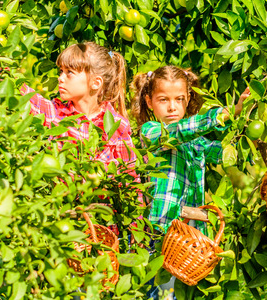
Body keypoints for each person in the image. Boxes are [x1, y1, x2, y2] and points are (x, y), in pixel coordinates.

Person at [131, 65, 250, 234]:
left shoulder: (196, 143)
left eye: (179, 99)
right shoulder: (150, 131)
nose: (172, 107)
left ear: (187, 99)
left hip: (190, 237)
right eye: (163, 100)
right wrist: (227, 113)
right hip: (161, 231)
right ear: (149, 102)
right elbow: (179, 131)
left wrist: (251, 139)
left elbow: (226, 154)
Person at [17, 42, 137, 173]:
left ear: (95, 83)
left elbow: (129, 177)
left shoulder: (117, 126)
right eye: (61, 71)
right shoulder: (54, 113)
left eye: (69, 72)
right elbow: (18, 91)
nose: (60, 78)